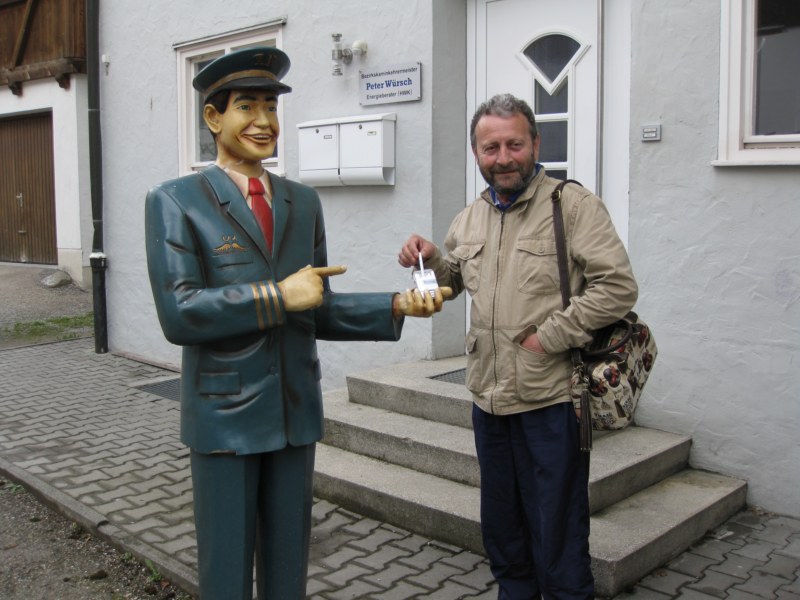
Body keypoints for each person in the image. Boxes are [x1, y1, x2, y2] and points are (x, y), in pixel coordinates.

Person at [145, 47, 449, 600]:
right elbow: (180, 312)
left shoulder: (302, 202)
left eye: (271, 107)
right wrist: (277, 296)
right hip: (225, 418)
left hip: (294, 410)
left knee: (289, 567)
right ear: (213, 117)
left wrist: (395, 306)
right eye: (246, 106)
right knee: (226, 572)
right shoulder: (176, 201)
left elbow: (317, 307)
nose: (263, 121)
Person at [398, 93, 638, 599]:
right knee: (503, 525)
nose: (503, 158)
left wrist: (547, 337)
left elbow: (617, 288)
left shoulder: (573, 206)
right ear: (476, 153)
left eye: (514, 145)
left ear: (536, 144)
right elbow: (453, 281)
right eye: (491, 148)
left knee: (557, 528)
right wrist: (431, 258)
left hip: (551, 399)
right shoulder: (470, 217)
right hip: (488, 399)